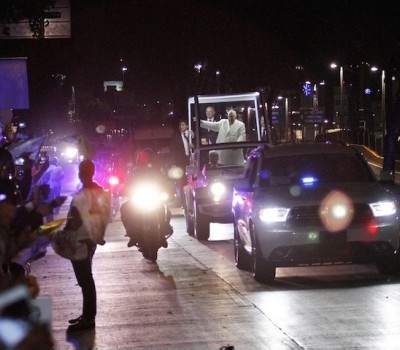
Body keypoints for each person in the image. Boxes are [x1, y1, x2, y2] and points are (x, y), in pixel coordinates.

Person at [65, 159, 110, 332]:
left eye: (82, 171)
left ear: (86, 172)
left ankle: (89, 318)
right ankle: (86, 315)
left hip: (83, 239)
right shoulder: (93, 190)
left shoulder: (91, 191)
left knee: (85, 279)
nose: (80, 173)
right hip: (85, 238)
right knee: (85, 279)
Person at [120, 148, 173, 248]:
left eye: (148, 157)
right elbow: (128, 183)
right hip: (139, 197)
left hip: (154, 197)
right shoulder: (135, 172)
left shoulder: (157, 171)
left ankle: (164, 229)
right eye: (144, 157)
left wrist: (168, 191)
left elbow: (164, 182)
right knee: (124, 208)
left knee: (166, 210)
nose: (146, 159)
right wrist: (123, 190)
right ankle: (131, 233)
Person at [170, 120, 194, 208]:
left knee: (192, 181)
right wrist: (173, 163)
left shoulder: (191, 135)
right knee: (182, 183)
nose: (181, 127)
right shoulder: (175, 137)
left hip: (191, 160)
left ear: (187, 126)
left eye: (183, 125)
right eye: (180, 125)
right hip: (181, 162)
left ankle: (192, 201)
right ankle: (184, 203)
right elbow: (173, 151)